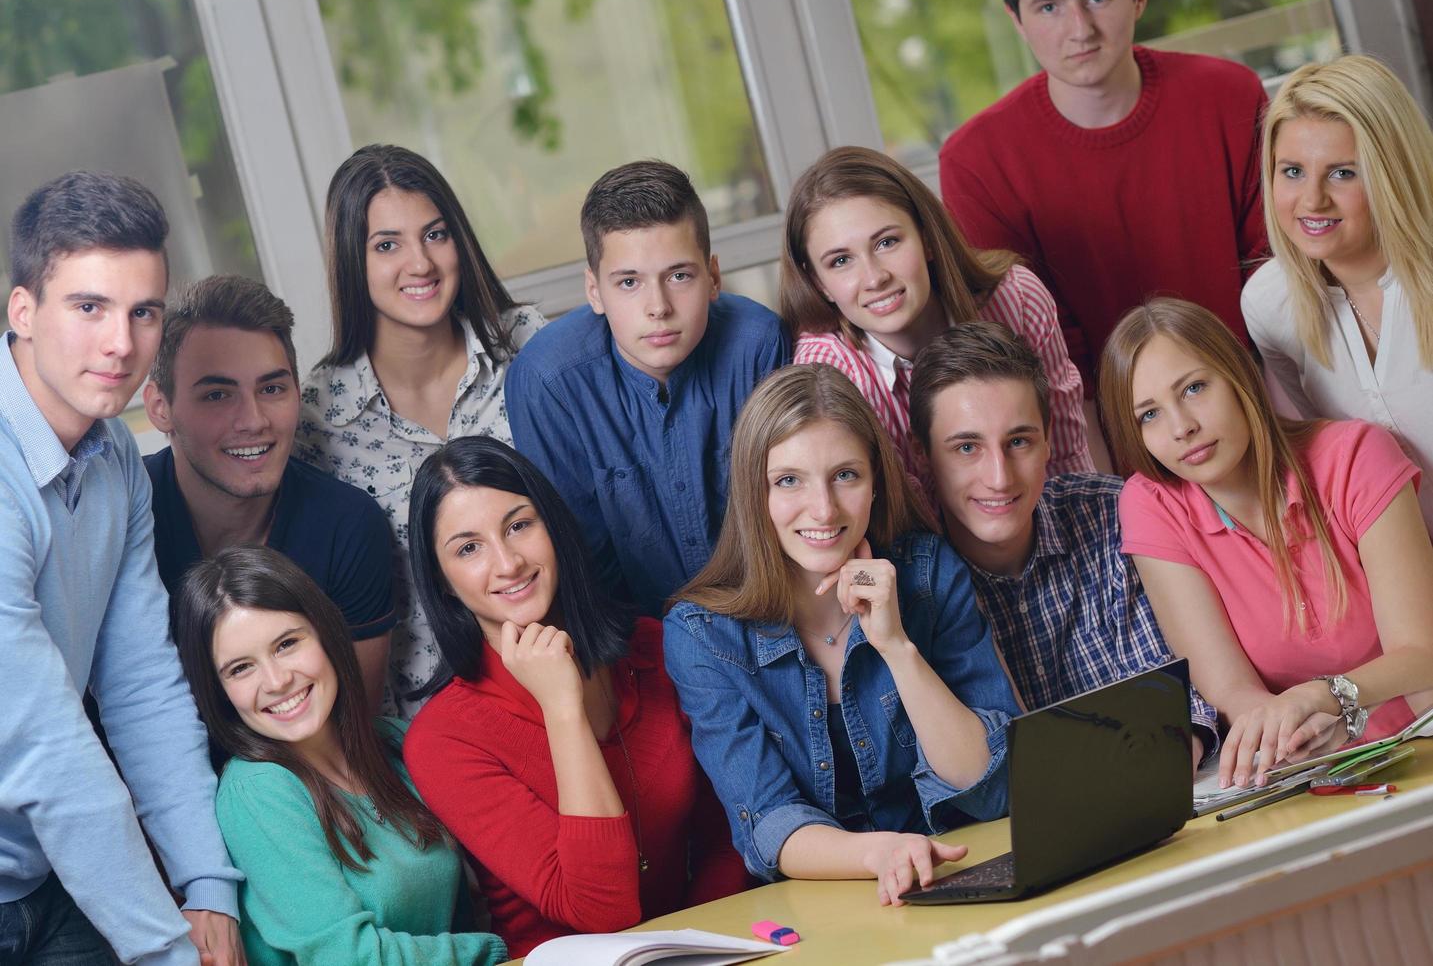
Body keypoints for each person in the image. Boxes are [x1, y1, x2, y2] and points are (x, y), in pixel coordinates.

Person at [665, 364, 1020, 907]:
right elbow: (769, 824)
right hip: (824, 907)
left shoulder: (926, 574)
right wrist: (881, 854)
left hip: (963, 875)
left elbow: (988, 782)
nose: (824, 510)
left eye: (846, 475)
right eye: (788, 481)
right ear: (753, 494)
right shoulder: (703, 635)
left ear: (876, 480)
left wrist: (896, 647)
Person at [0, 172, 242, 965]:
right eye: (89, 307)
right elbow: (45, 747)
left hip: (41, 872)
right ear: (22, 311)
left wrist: (206, 883)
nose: (120, 344)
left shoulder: (115, 462)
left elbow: (139, 681)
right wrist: (169, 951)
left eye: (144, 312)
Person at [402, 437, 750, 958]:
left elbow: (730, 835)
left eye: (519, 525)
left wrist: (698, 946)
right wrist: (562, 707)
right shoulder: (443, 740)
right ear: (443, 582)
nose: (508, 562)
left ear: (554, 528)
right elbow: (601, 909)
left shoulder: (655, 649)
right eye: (468, 548)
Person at [1098, 298, 1433, 790]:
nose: (1180, 427)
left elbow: (1422, 652)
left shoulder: (1355, 455)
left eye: (1193, 388)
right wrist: (1292, 729)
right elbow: (1232, 688)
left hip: (1421, 741)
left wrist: (1326, 697)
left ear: (1239, 377)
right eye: (1149, 415)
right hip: (1304, 768)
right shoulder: (1151, 503)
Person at [296, 144, 544, 716]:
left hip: (566, 676)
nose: (421, 264)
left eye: (435, 234)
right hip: (425, 725)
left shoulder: (529, 348)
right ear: (352, 263)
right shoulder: (317, 419)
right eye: (387, 245)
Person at [172, 545, 507, 966]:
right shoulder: (256, 791)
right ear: (218, 691)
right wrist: (498, 954)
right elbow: (348, 959)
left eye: (287, 644)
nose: (276, 681)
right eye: (241, 668)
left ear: (325, 634)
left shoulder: (397, 744)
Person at [908, 321, 1217, 765]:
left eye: (1018, 442)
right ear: (922, 454)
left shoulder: (1115, 514)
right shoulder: (919, 586)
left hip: (1175, 792)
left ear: (1049, 440)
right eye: (966, 448)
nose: (999, 478)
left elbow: (1182, 698)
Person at [939, 0, 1267, 385]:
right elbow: (1026, 340)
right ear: (1016, 20)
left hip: (1251, 385)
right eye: (1048, 7)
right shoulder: (975, 162)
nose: (1080, 30)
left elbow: (1272, 271)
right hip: (1088, 420)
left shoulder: (1231, 95)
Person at [506, 159, 789, 617]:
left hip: (769, 616)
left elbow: (790, 515)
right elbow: (580, 563)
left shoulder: (758, 345)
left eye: (679, 276)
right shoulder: (548, 380)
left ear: (713, 276)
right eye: (629, 282)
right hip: (635, 647)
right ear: (594, 291)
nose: (658, 307)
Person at [144, 274, 396, 712]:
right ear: (160, 407)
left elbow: (352, 733)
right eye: (217, 394)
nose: (254, 419)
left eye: (272, 388)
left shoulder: (348, 525)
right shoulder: (118, 521)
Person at [782, 145, 1090, 498]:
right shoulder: (829, 372)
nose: (874, 277)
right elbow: (887, 518)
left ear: (927, 238)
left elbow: (1067, 459)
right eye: (840, 261)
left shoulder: (1016, 299)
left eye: (887, 242)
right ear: (819, 283)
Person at [1241, 54, 1433, 533]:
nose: (1312, 200)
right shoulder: (1270, 303)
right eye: (1292, 171)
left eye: (1343, 173)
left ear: (1391, 175)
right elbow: (1332, 458)